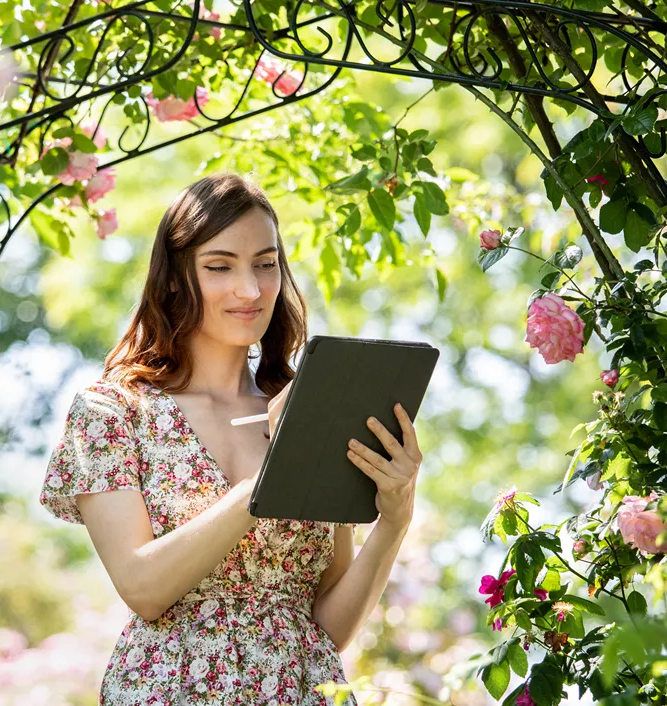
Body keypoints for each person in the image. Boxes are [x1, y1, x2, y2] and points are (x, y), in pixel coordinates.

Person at [38, 171, 423, 705]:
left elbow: (323, 629)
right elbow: (143, 589)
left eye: (266, 266)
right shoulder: (113, 411)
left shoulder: (313, 407)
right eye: (220, 267)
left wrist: (394, 520)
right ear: (174, 277)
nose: (250, 290)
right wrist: (271, 473)